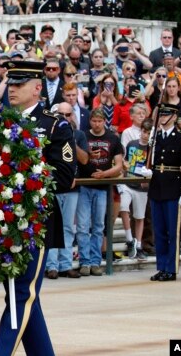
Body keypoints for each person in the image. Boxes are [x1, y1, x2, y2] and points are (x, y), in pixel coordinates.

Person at [0, 61, 76, 355]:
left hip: (35, 222)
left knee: (21, 295)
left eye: (19, 84)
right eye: (10, 83)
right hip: (2, 220)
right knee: (24, 297)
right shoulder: (1, 121)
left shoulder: (54, 125)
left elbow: (64, 177)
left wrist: (20, 178)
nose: (11, 89)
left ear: (37, 88)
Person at [77, 109, 124, 276]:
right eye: (94, 121)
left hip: (103, 186)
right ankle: (84, 261)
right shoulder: (83, 136)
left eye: (99, 121)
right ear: (90, 121)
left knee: (98, 226)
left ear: (104, 121)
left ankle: (95, 261)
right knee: (82, 226)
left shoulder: (112, 138)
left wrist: (105, 174)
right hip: (84, 184)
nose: (97, 124)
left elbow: (119, 164)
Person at [148, 104, 181, 281]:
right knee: (159, 230)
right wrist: (148, 171)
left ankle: (171, 269)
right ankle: (161, 266)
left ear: (173, 117)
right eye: (161, 114)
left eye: (166, 114)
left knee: (172, 232)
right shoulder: (155, 137)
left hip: (173, 189)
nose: (163, 117)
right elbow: (150, 160)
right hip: (156, 187)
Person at [45, 102, 87, 279]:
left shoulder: (78, 134)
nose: (65, 118)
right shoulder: (49, 131)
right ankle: (52, 265)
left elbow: (84, 159)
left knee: (69, 227)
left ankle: (66, 263)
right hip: (53, 186)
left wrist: (69, 139)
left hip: (71, 187)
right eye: (61, 114)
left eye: (68, 114)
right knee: (53, 226)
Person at [119, 118, 152, 261]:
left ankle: (138, 244)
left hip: (142, 187)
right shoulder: (132, 144)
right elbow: (125, 160)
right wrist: (125, 166)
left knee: (139, 217)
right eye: (144, 132)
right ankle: (129, 239)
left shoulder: (151, 150)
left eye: (149, 133)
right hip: (128, 182)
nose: (146, 135)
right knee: (124, 207)